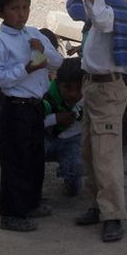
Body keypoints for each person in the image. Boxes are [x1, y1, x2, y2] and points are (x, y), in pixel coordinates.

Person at [67, 0, 127, 243]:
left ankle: (113, 215)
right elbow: (79, 11)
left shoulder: (112, 10)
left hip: (108, 89)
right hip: (92, 86)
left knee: (106, 155)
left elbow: (103, 20)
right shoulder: (98, 6)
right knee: (89, 151)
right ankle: (98, 205)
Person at [0, 0, 64, 232]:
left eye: (25, 7)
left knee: (34, 157)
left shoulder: (33, 34)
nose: (21, 14)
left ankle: (31, 202)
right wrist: (27, 68)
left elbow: (57, 62)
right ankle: (11, 213)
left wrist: (43, 52)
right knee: (15, 160)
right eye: (14, 8)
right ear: (0, 12)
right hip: (15, 107)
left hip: (35, 105)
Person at [42, 57, 85, 198]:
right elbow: (34, 121)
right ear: (58, 83)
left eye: (78, 89)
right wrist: (56, 118)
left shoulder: (89, 99)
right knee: (30, 154)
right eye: (67, 88)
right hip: (46, 138)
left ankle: (70, 180)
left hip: (73, 141)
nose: (73, 94)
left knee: (75, 166)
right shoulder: (46, 94)